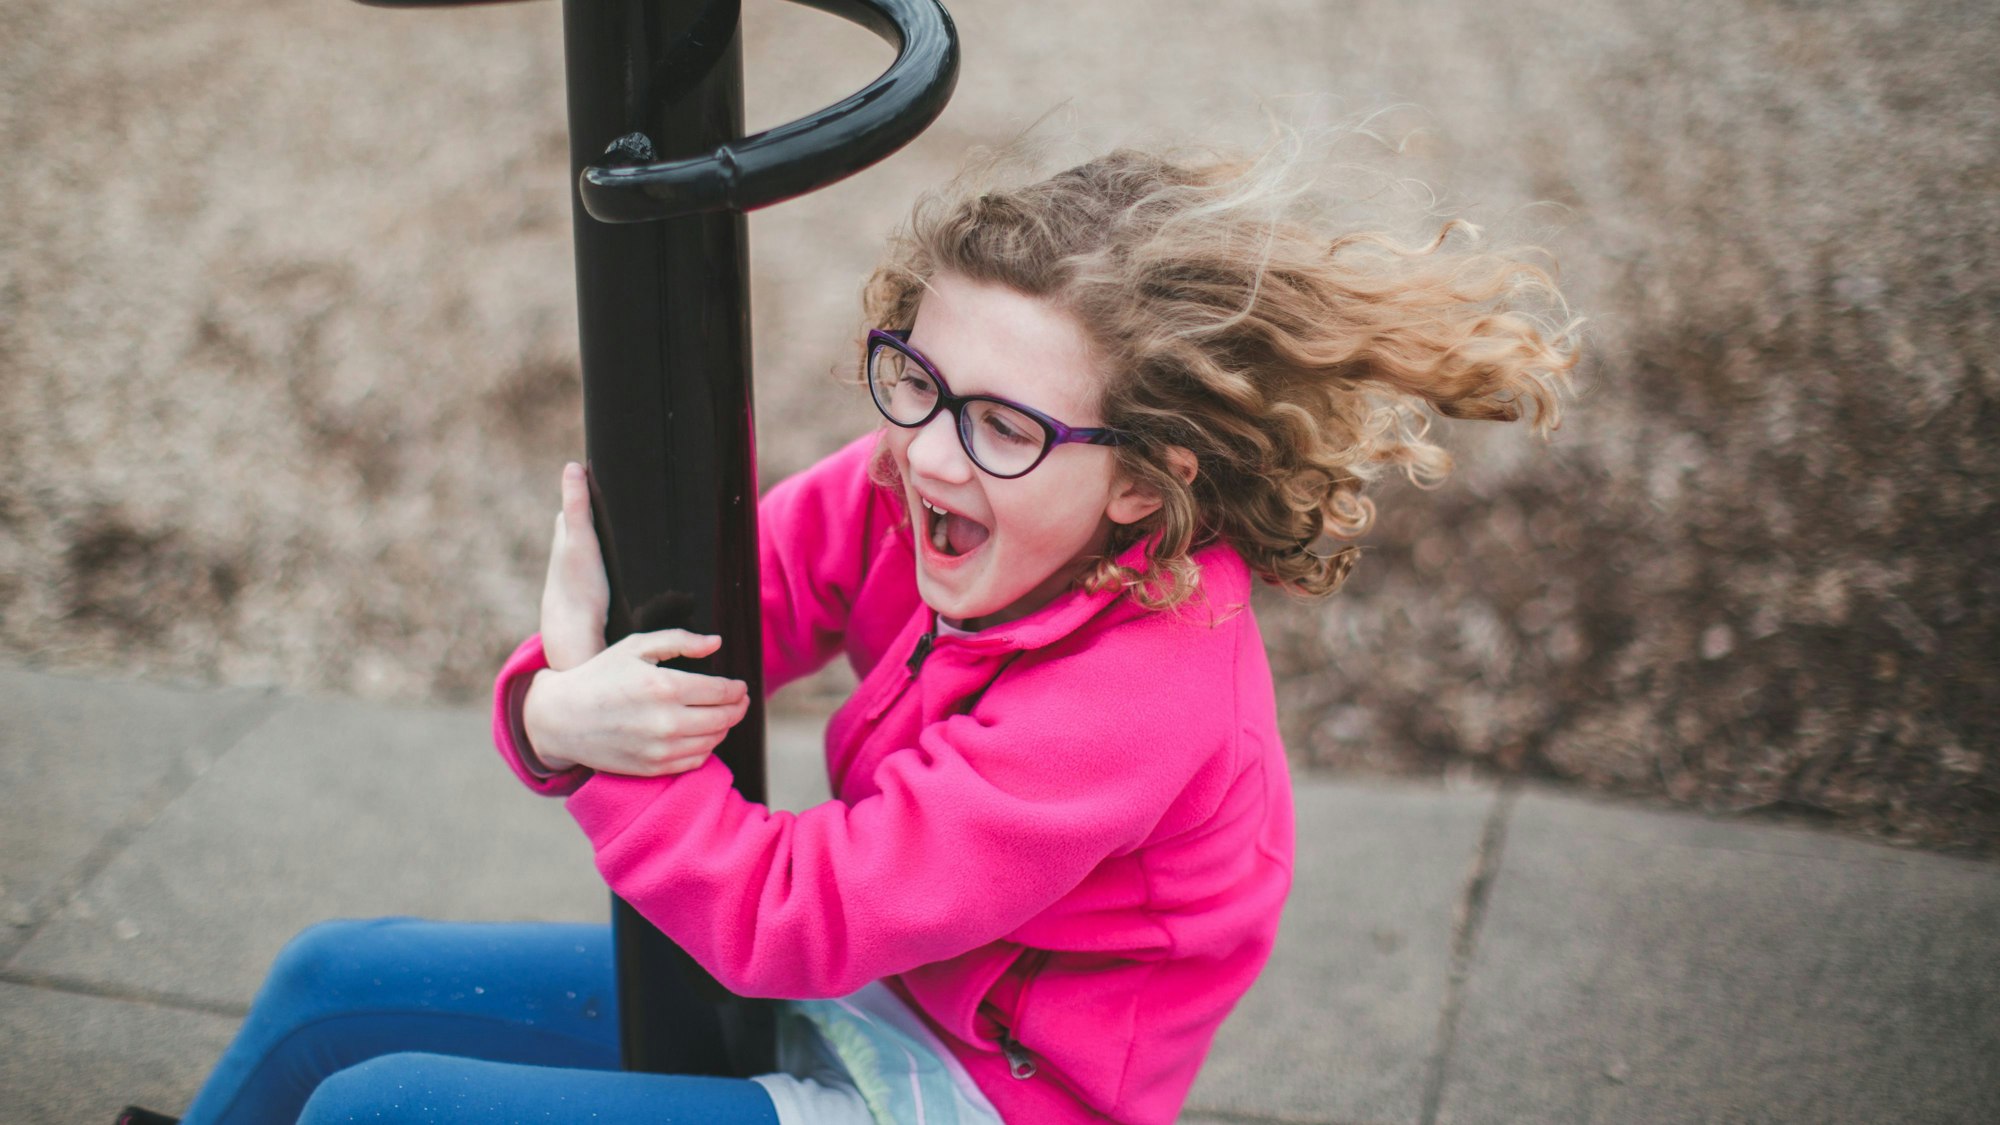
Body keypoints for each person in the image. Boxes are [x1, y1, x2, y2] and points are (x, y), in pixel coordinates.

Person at [127, 142, 1575, 1125]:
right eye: (921, 381)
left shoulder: (1141, 696)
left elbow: (788, 913)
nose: (935, 454)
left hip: (973, 1095)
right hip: (876, 987)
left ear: (1145, 475)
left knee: (385, 1112)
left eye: (1006, 423)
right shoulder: (921, 484)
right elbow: (706, 626)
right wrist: (552, 701)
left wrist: (593, 743)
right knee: (331, 985)